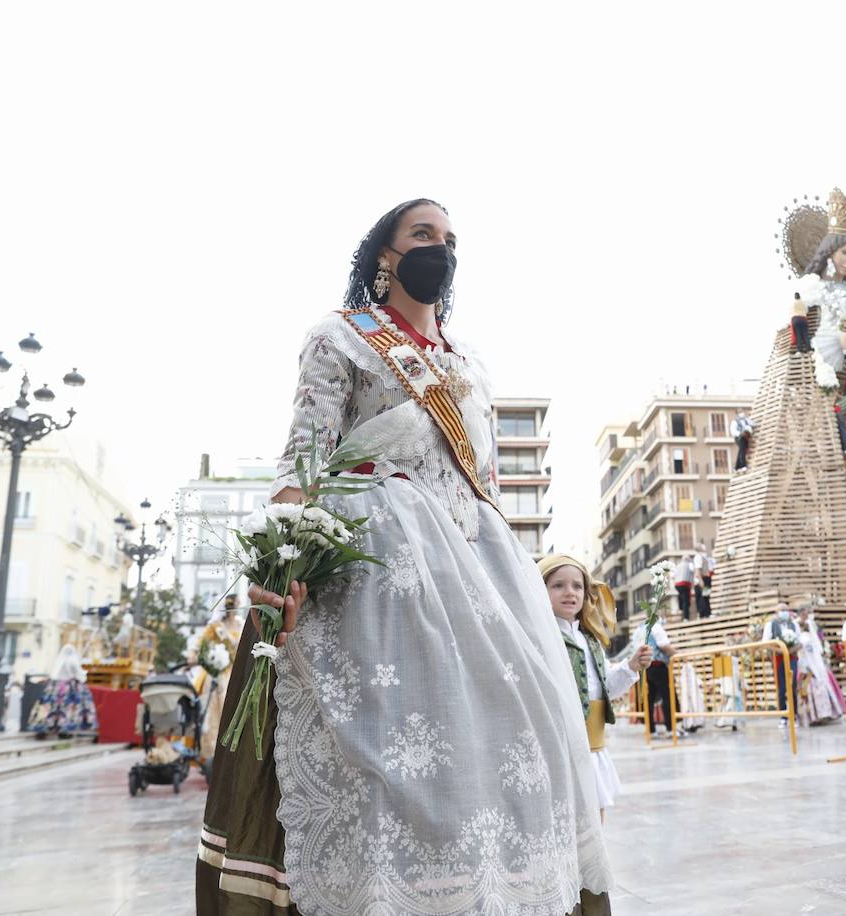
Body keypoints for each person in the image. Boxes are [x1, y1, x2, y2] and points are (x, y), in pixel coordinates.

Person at [196, 200, 612, 916]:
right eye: (423, 235)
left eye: (450, 240)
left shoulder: (469, 364)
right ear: (385, 255)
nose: (440, 250)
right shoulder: (341, 338)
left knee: (512, 752)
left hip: (479, 569)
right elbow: (306, 451)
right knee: (382, 763)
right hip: (376, 562)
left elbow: (483, 475)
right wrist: (284, 561)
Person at [539, 555, 653, 817]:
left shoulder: (589, 640)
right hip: (562, 747)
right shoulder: (543, 638)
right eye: (558, 585)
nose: (569, 592)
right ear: (540, 589)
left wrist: (631, 666)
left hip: (594, 746)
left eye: (577, 586)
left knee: (596, 814)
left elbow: (605, 688)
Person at [198, 598, 243, 761]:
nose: (235, 609)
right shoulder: (216, 627)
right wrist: (214, 662)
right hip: (218, 673)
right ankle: (213, 754)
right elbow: (201, 649)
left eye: (236, 606)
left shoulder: (241, 625)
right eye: (232, 606)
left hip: (236, 672)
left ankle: (232, 754)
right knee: (214, 711)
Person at [28, 645, 98, 737]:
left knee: (53, 706)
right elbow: (79, 675)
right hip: (70, 687)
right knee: (69, 707)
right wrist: (83, 674)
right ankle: (65, 729)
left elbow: (54, 674)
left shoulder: (59, 661)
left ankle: (46, 726)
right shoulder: (72, 661)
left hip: (56, 687)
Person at [633, 608, 680, 739]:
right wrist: (678, 655)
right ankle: (671, 728)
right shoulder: (656, 627)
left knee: (648, 699)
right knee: (667, 697)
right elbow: (664, 645)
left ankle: (651, 729)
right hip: (657, 665)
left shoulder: (638, 630)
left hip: (643, 668)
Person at [794, 605, 845, 726]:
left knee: (822, 682)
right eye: (805, 613)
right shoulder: (795, 625)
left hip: (815, 659)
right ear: (800, 614)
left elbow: (816, 641)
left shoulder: (811, 624)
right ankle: (809, 716)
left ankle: (825, 713)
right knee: (805, 685)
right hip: (803, 658)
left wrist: (820, 654)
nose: (807, 616)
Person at [762, 603, 802, 725]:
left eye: (786, 610)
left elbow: (800, 642)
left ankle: (794, 715)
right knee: (781, 687)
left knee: (793, 685)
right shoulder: (770, 625)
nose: (784, 612)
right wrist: (780, 650)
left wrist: (791, 650)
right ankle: (783, 716)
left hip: (792, 657)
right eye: (781, 610)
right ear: (776, 612)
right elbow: (766, 642)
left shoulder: (794, 624)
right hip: (778, 658)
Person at [693, 544, 715, 618]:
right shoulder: (698, 557)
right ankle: (706, 613)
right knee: (705, 596)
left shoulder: (702, 556)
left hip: (706, 578)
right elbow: (698, 570)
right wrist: (700, 580)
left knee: (706, 595)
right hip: (704, 578)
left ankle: (707, 613)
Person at [673, 553, 696, 620]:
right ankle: (686, 617)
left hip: (677, 584)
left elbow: (672, 576)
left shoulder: (678, 565)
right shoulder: (689, 564)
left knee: (682, 599)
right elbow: (694, 571)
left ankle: (682, 612)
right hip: (685, 584)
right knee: (686, 600)